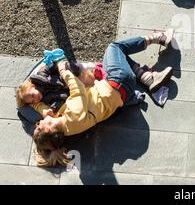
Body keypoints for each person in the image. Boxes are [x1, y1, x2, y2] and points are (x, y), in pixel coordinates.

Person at [31, 32, 174, 167]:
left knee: (117, 58)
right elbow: (77, 89)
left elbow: (46, 111)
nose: (38, 123)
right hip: (118, 81)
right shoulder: (71, 118)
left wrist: (35, 104)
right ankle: (158, 38)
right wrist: (63, 70)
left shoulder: (67, 127)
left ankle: (147, 78)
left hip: (121, 94)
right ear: (49, 129)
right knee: (115, 48)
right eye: (39, 127)